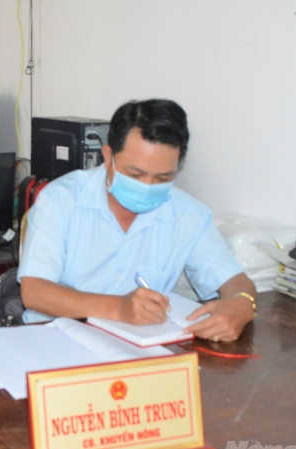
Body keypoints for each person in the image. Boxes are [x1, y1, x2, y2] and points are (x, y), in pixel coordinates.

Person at [17, 99, 257, 343]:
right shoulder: (61, 201)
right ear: (108, 157)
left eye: (163, 177)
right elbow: (34, 292)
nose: (148, 186)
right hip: (57, 342)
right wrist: (119, 308)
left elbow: (234, 280)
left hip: (141, 348)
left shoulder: (188, 215)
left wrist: (241, 305)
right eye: (135, 174)